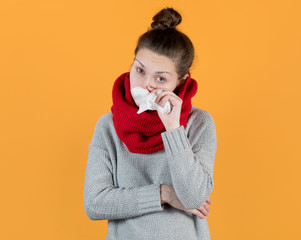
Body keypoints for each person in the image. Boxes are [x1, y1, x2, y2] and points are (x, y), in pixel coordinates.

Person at [83, 7, 217, 240]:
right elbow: (95, 203)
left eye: (161, 78)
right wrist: (163, 194)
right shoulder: (108, 126)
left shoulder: (199, 124)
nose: (146, 85)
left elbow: (194, 197)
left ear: (180, 81)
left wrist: (174, 129)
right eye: (140, 70)